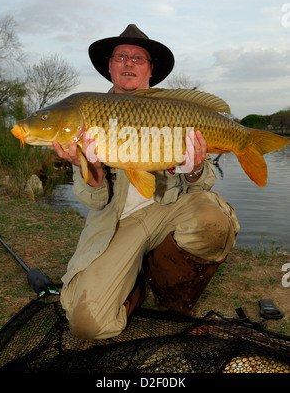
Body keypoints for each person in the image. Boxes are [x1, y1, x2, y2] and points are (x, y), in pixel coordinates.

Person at [53, 24, 240, 340]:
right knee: (87, 324)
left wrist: (193, 169)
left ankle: (171, 293)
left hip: (168, 211)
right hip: (117, 224)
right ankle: (135, 287)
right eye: (121, 56)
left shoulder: (172, 110)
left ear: (150, 70)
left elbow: (200, 185)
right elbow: (94, 201)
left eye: (137, 58)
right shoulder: (87, 112)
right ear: (110, 66)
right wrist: (92, 168)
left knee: (213, 222)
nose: (128, 63)